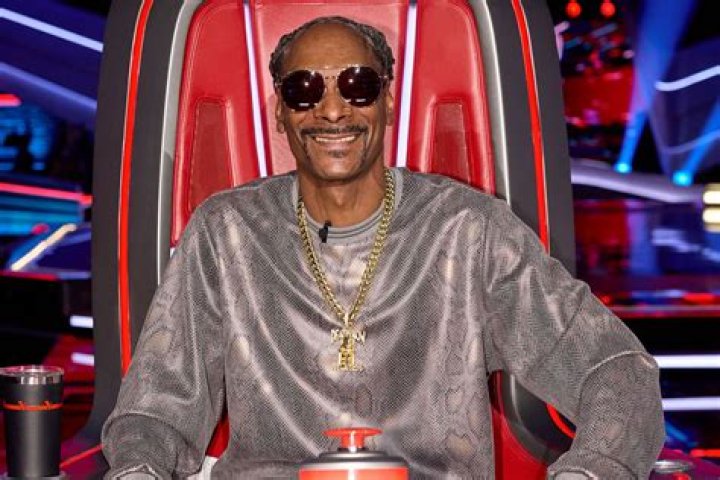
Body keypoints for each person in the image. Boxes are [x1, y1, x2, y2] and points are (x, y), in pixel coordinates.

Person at [102, 16, 664, 479]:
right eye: (304, 90)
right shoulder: (226, 232)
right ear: (280, 112)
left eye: (357, 85)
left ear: (387, 102)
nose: (332, 110)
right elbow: (153, 413)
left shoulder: (468, 232)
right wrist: (138, 471)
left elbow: (616, 370)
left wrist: (589, 472)